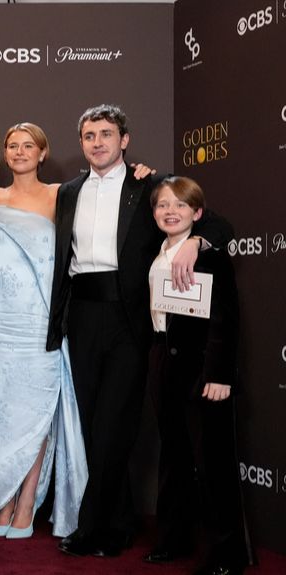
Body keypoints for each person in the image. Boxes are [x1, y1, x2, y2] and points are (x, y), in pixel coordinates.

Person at [48, 104, 233, 558]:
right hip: (82, 315)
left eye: (106, 134)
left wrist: (196, 241)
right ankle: (118, 521)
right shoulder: (68, 191)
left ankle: (96, 527)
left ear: (124, 140)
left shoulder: (150, 185)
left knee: (115, 425)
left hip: (130, 319)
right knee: (94, 426)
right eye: (89, 135)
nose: (98, 143)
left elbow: (218, 223)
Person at [0, 123, 87, 540]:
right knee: (0, 420)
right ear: (4, 153)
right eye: (12, 146)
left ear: (43, 153)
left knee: (36, 414)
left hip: (39, 322)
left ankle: (26, 504)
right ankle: (3, 505)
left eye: (28, 146)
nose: (20, 152)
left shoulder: (61, 195)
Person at [144, 177, 253, 575]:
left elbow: (225, 319)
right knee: (174, 457)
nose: (170, 211)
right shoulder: (156, 253)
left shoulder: (210, 255)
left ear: (198, 214)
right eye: (162, 205)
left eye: (180, 205)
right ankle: (174, 541)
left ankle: (228, 555)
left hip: (202, 368)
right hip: (163, 360)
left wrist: (220, 375)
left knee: (213, 463)